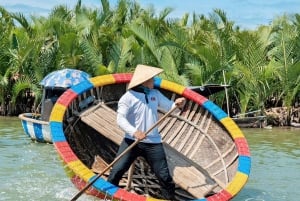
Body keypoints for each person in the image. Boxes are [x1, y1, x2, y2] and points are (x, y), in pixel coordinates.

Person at [107, 64, 185, 200]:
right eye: (152, 79)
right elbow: (120, 119)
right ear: (144, 81)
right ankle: (107, 197)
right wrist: (134, 132)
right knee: (116, 171)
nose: (154, 82)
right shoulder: (128, 97)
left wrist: (178, 104)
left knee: (165, 177)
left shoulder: (155, 94)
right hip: (132, 141)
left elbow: (171, 108)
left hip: (153, 142)